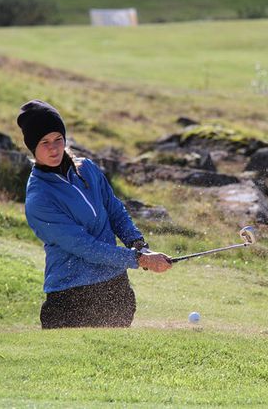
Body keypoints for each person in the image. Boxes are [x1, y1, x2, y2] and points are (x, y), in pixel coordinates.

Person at [17, 99, 172, 328]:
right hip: (70, 298)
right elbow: (84, 246)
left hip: (116, 290)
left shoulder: (87, 169)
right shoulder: (39, 198)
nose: (54, 148)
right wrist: (138, 259)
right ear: (33, 147)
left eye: (58, 139)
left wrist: (138, 244)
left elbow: (114, 210)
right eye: (44, 142)